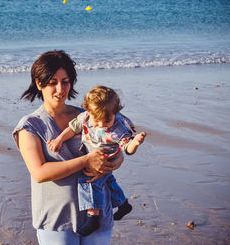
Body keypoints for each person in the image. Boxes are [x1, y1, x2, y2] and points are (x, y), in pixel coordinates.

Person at [12, 50, 124, 245]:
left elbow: (116, 149)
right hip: (57, 219)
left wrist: (115, 161)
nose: (60, 89)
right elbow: (39, 172)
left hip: (98, 214)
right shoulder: (30, 125)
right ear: (39, 83)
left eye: (65, 81)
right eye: (52, 82)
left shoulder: (89, 116)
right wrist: (86, 161)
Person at [47, 85, 146, 236]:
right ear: (88, 111)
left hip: (106, 158)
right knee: (109, 181)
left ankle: (92, 216)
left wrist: (135, 143)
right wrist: (59, 139)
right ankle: (123, 204)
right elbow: (73, 129)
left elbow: (127, 148)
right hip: (93, 155)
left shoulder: (117, 128)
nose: (101, 125)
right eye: (97, 120)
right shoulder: (85, 117)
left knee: (89, 181)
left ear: (116, 113)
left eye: (107, 120)